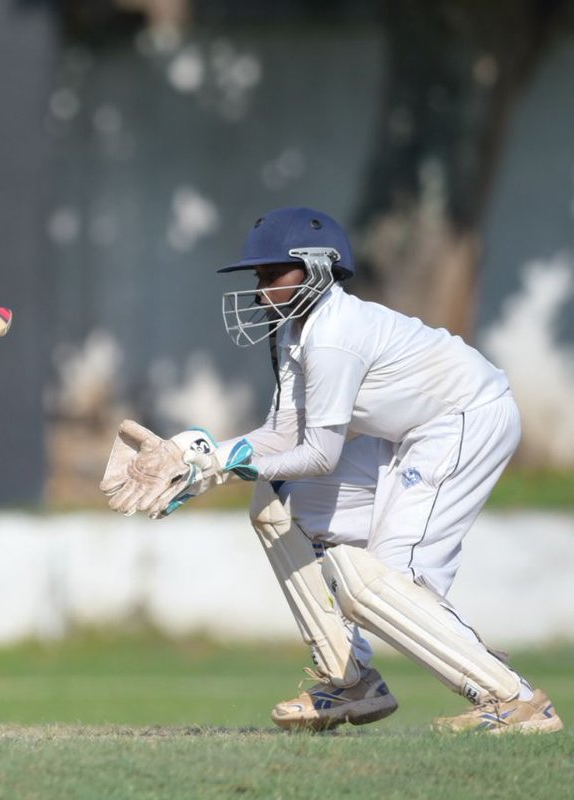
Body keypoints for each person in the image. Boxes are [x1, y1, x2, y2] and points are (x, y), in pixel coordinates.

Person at [101, 206, 563, 734]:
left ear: (318, 268)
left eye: (274, 275)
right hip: (406, 434)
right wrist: (197, 458)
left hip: (467, 420)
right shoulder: (298, 331)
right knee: (280, 504)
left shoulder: (334, 336)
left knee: (386, 583)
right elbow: (282, 436)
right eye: (259, 276)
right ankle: (350, 680)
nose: (261, 290)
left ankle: (517, 701)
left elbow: (320, 454)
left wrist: (222, 464)